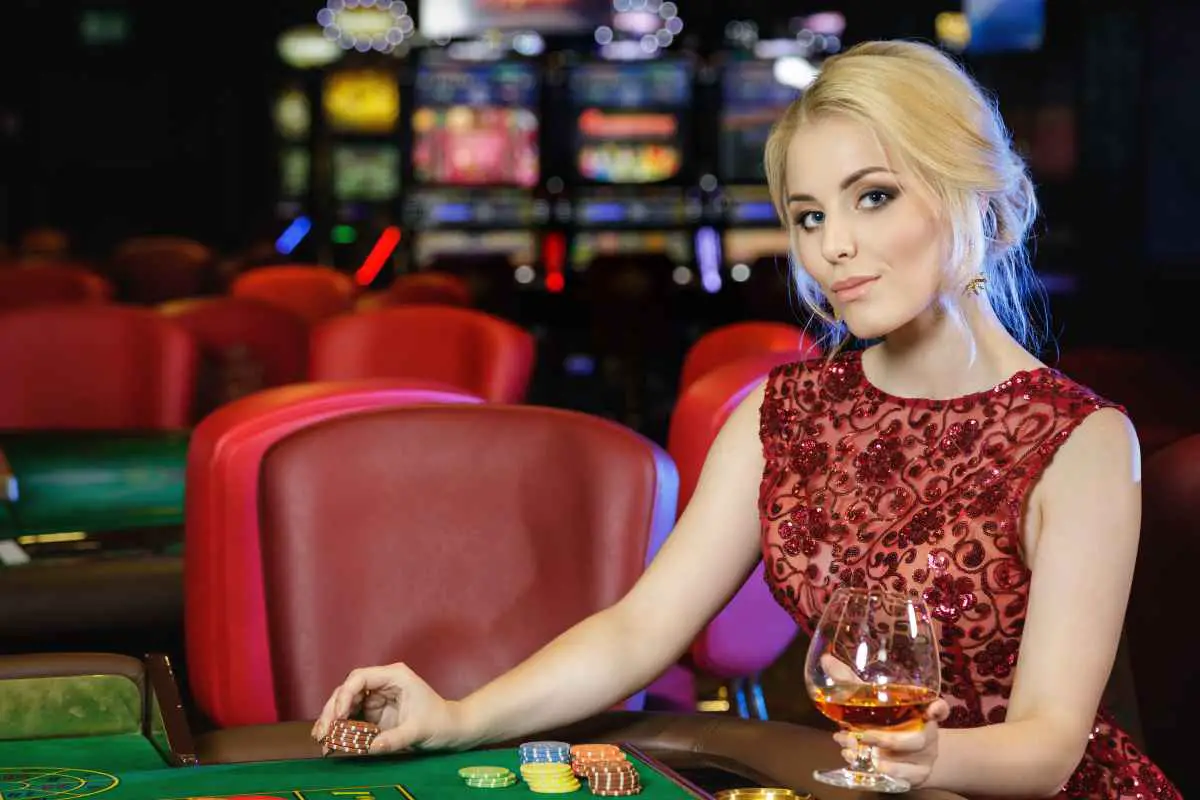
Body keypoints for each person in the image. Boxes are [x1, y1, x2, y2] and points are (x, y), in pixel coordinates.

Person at [313, 40, 1180, 799]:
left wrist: (926, 756)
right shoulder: (782, 414)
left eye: (871, 196)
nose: (831, 245)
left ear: (977, 200)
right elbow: (640, 630)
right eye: (808, 215)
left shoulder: (1080, 440)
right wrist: (458, 715)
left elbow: (1050, 746)